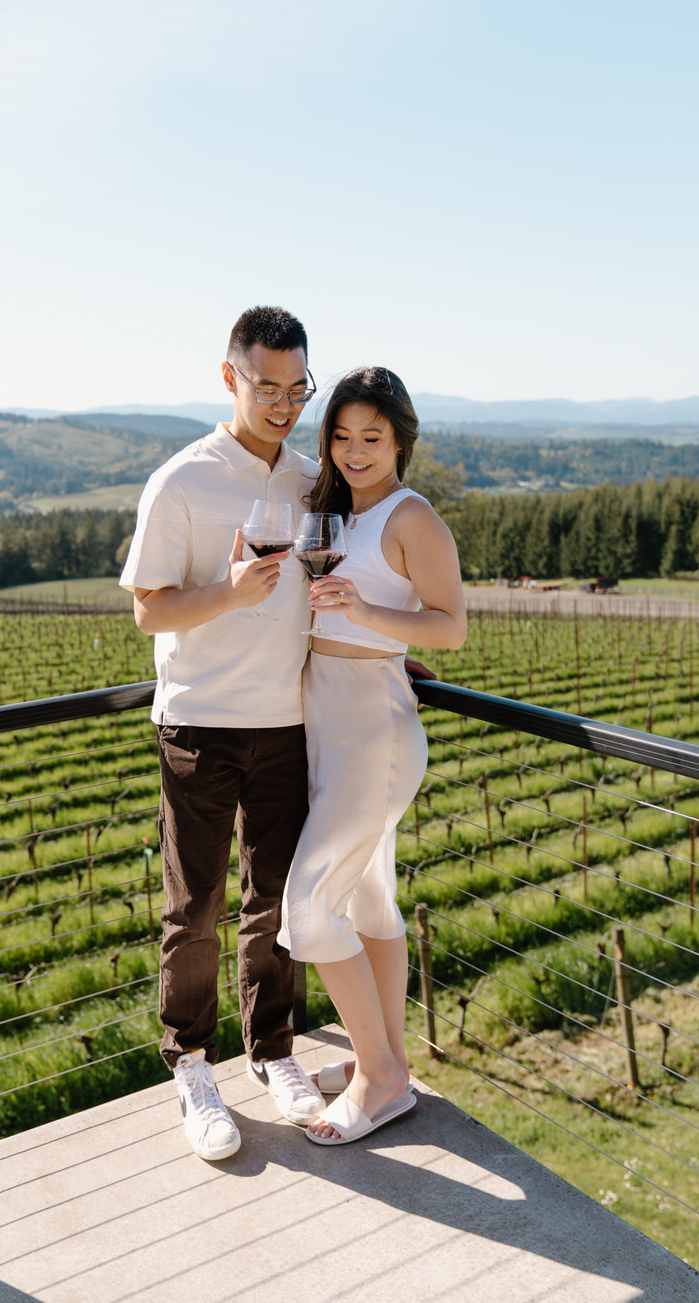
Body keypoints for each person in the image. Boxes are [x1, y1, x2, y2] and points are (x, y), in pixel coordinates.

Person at [119, 305, 326, 1161]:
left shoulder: (314, 481)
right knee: (195, 909)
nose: (283, 405)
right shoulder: (181, 482)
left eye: (297, 389)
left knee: (278, 902)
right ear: (229, 378)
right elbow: (149, 609)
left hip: (290, 722)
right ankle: (193, 1067)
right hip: (199, 726)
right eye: (266, 387)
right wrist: (232, 594)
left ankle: (272, 1050)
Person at [277, 366, 467, 1146]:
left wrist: (367, 612)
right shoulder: (333, 511)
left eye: (373, 438)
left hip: (374, 731)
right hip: (326, 718)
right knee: (370, 900)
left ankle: (380, 1077)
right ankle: (383, 1062)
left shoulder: (411, 516)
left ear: (399, 442)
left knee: (308, 904)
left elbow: (450, 626)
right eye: (342, 437)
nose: (355, 452)